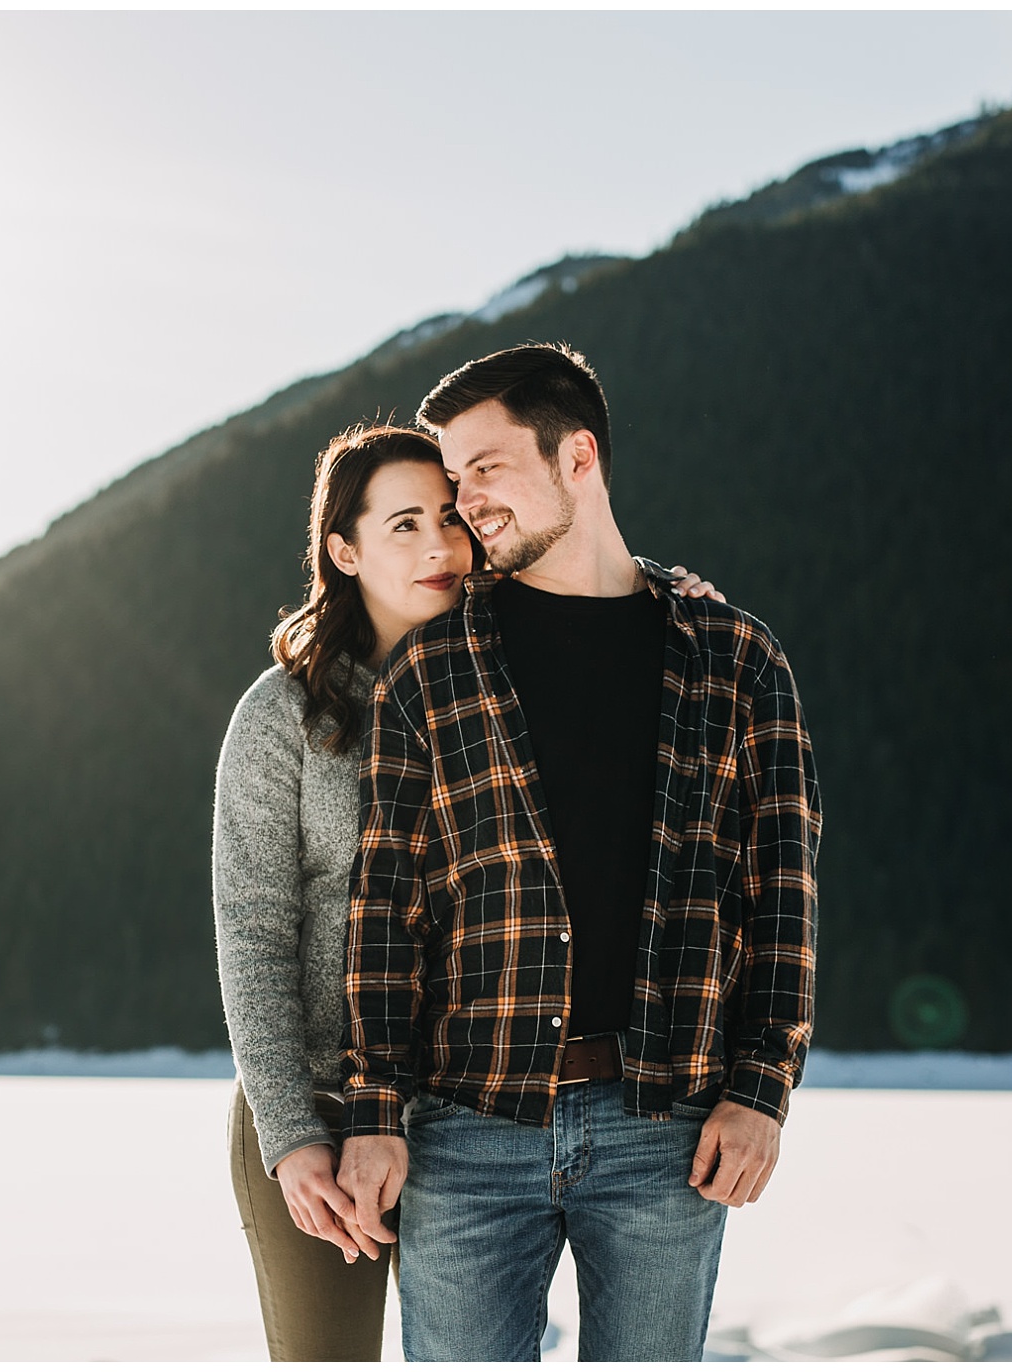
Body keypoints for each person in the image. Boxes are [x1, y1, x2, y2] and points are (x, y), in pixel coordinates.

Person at [335, 343, 823, 1362]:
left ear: (577, 457)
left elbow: (780, 896)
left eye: (485, 468)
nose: (464, 503)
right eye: (451, 477)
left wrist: (760, 1089)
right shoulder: (432, 668)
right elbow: (384, 911)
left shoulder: (737, 660)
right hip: (465, 1129)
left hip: (669, 1127)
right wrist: (375, 1109)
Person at [211, 422, 724, 1361]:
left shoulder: (508, 673)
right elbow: (251, 938)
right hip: (320, 1110)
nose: (442, 548)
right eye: (404, 525)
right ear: (343, 549)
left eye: (451, 518)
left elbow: (585, 569)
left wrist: (658, 586)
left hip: (468, 1111)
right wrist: (291, 1136)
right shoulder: (283, 715)